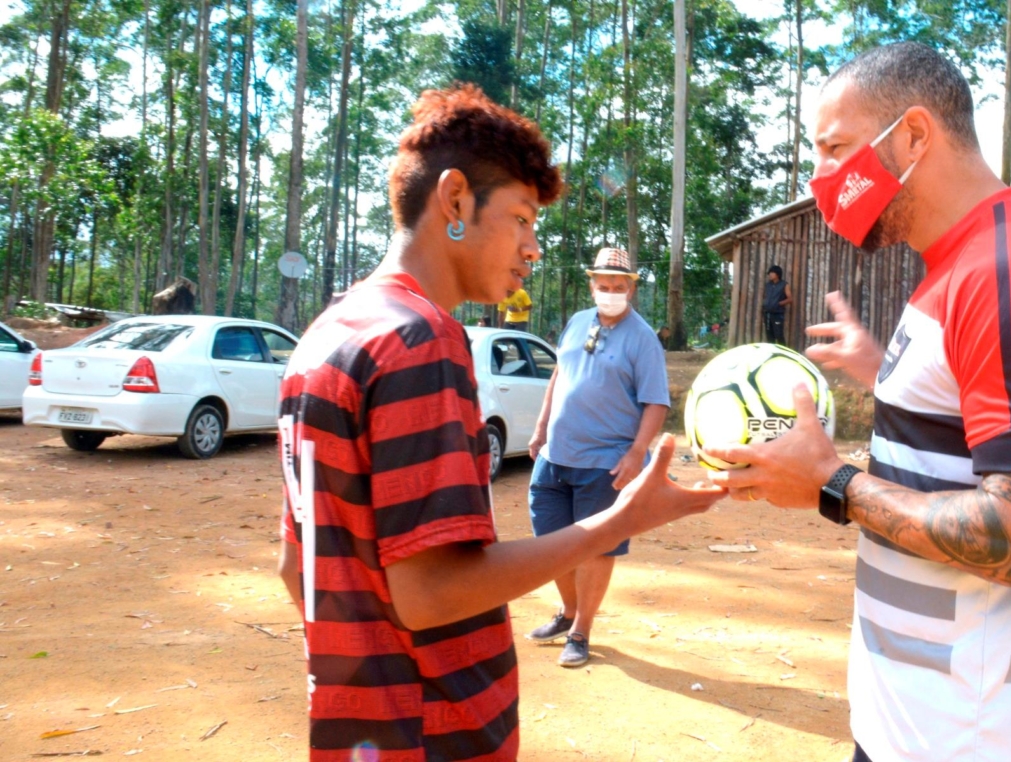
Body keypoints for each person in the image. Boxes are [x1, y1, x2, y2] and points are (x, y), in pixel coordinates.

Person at [275, 86, 724, 761]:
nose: (532, 248)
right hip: (433, 730)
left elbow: (294, 566)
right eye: (520, 219)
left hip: (355, 725)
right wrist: (621, 521)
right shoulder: (419, 340)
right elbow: (431, 593)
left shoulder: (328, 332)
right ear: (455, 201)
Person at [705, 42, 1011, 762]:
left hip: (976, 740)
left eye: (836, 149)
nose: (821, 178)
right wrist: (885, 375)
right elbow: (970, 427)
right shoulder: (966, 265)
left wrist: (833, 485)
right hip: (925, 726)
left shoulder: (1010, 274)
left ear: (915, 136)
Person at [525, 247, 670, 668]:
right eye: (603, 285)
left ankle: (581, 630)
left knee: (596, 549)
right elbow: (559, 375)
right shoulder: (575, 323)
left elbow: (655, 403)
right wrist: (539, 428)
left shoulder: (642, 338)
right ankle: (567, 611)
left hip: (605, 464)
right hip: (554, 457)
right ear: (591, 284)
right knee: (550, 545)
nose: (610, 292)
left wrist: (636, 454)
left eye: (618, 286)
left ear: (631, 288)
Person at [761, 264, 791, 344]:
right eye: (769, 273)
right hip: (767, 313)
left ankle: (784, 354)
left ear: (777, 274)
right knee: (769, 336)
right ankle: (773, 354)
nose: (770, 275)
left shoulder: (784, 284)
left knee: (779, 335)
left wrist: (778, 303)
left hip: (777, 314)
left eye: (772, 273)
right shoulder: (768, 285)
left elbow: (790, 299)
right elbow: (765, 297)